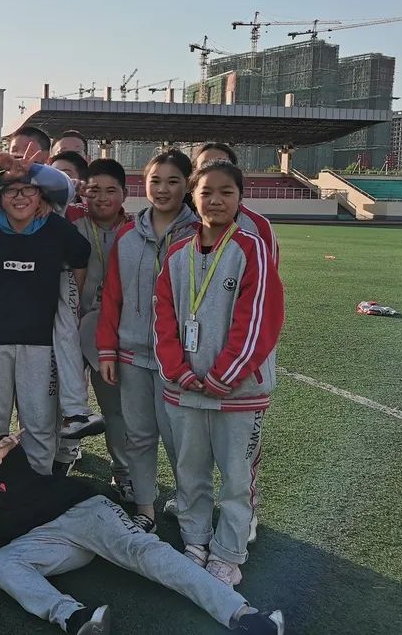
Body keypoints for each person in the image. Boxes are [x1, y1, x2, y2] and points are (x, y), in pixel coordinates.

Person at [0, 406, 285, 635]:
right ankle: (76, 618)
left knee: (146, 553)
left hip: (82, 512)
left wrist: (5, 455)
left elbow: (19, 476)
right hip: (43, 540)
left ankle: (244, 615)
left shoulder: (7, 455)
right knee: (2, 563)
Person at [153, 161, 284, 587]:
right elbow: (163, 318)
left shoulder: (251, 249)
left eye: (226, 192)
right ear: (193, 197)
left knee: (236, 478)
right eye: (206, 192)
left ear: (240, 198)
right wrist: (177, 370)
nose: (216, 200)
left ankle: (228, 553)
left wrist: (223, 375)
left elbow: (259, 321)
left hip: (238, 392)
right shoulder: (177, 253)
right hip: (185, 388)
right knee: (189, 472)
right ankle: (195, 539)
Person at [0, 152, 91, 474]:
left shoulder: (56, 227)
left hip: (40, 342)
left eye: (28, 189)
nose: (20, 197)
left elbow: (80, 260)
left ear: (41, 196)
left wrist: (67, 306)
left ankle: (38, 484)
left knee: (39, 421)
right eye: (11, 191)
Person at [95, 149, 198, 532]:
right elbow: (113, 297)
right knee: (138, 436)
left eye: (173, 181)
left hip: (180, 359)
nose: (163, 189)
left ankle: (190, 507)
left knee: (179, 439)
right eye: (156, 181)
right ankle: (144, 509)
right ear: (144, 184)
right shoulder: (127, 234)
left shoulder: (200, 233)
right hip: (132, 355)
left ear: (187, 185)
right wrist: (108, 349)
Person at [192, 142, 280, 542]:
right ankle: (197, 506)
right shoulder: (188, 229)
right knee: (196, 446)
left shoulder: (257, 229)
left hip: (242, 365)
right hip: (196, 362)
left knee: (240, 452)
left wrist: (239, 358)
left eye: (223, 175)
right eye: (204, 174)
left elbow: (263, 300)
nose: (215, 195)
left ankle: (247, 512)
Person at [56, 159, 133, 496]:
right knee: (63, 403)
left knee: (114, 406)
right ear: (83, 192)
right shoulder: (71, 219)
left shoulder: (137, 228)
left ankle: (123, 471)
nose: (102, 198)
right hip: (69, 326)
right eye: (94, 190)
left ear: (125, 193)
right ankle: (63, 456)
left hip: (113, 331)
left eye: (111, 190)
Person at [193, 142, 279, 267]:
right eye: (205, 165)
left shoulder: (259, 225)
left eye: (221, 163)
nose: (214, 170)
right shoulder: (183, 225)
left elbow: (268, 273)